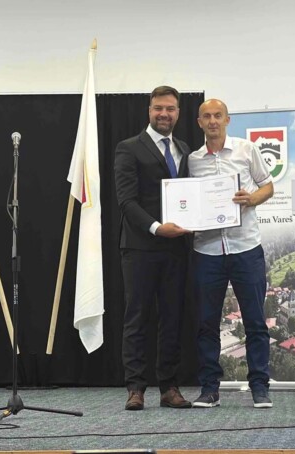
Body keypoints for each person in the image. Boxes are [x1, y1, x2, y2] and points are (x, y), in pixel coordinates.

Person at [188, 98, 275, 409]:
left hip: (245, 247)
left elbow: (268, 186)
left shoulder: (246, 149)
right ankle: (209, 389)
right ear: (199, 122)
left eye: (218, 115)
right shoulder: (192, 160)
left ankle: (260, 387)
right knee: (206, 324)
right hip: (207, 250)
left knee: (255, 322)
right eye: (206, 116)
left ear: (227, 120)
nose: (212, 121)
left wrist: (251, 199)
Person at [114, 85, 193, 410]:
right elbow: (126, 201)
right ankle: (135, 388)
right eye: (159, 108)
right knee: (137, 318)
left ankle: (169, 387)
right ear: (149, 111)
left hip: (176, 249)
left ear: (178, 113)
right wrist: (157, 228)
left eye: (170, 109)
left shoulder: (184, 149)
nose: (164, 114)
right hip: (140, 247)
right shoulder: (128, 148)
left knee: (172, 319)